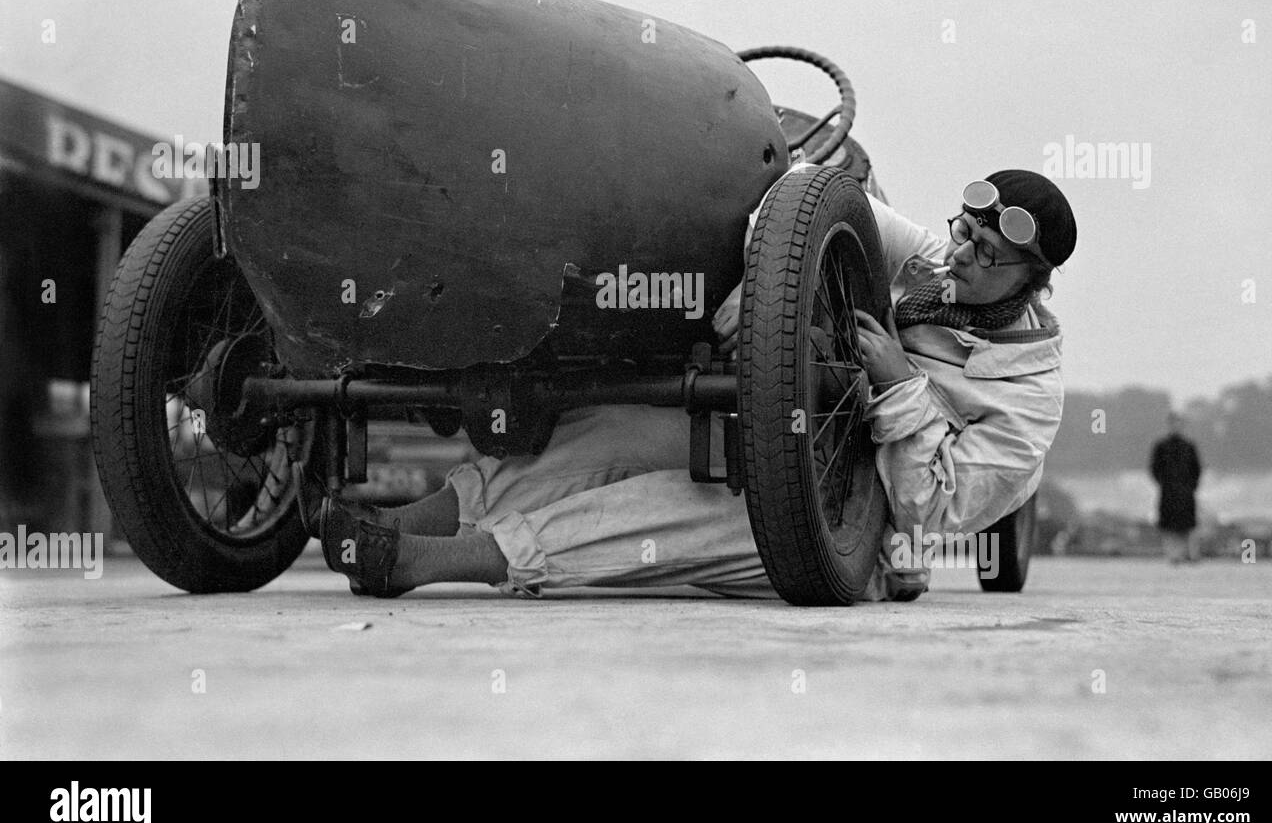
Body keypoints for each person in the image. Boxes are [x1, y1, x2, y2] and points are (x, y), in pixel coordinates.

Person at [318, 168, 1077, 602]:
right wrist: (774, 285)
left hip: (858, 533)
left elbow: (933, 507)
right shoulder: (931, 266)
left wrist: (897, 384)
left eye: (988, 255)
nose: (964, 257)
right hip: (789, 437)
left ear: (1035, 281)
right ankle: (405, 522)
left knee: (657, 517)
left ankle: (428, 565)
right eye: (964, 233)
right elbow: (802, 195)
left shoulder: (1029, 397)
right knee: (608, 429)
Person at [1149, 413, 1202, 563]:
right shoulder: (1161, 446)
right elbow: (1154, 468)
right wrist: (1163, 483)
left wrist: (1191, 485)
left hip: (1186, 491)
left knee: (1188, 525)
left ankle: (1189, 553)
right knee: (1168, 526)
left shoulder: (1189, 446)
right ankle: (1173, 555)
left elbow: (1196, 469)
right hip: (1168, 491)